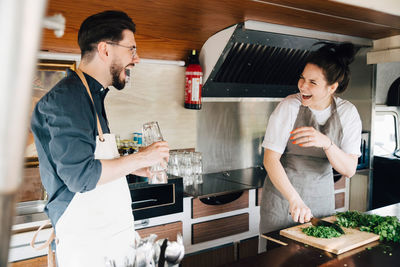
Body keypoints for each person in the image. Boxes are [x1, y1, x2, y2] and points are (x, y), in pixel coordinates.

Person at [31, 10, 169, 267]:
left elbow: (91, 162)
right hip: (89, 250)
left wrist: (132, 165)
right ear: (105, 49)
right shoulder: (68, 99)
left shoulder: (90, 96)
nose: (136, 59)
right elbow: (81, 177)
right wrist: (143, 156)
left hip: (109, 242)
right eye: (132, 49)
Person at [259, 42, 362, 236]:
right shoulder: (289, 106)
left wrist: (327, 143)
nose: (302, 86)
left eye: (312, 82)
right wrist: (294, 199)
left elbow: (349, 169)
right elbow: (270, 159)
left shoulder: (347, 113)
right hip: (282, 201)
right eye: (302, 78)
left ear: (332, 87)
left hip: (320, 202)